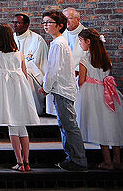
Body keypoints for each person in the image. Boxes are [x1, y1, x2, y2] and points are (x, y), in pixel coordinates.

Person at [76, 28, 123, 170]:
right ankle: (117, 161)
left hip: (93, 95)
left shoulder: (84, 60)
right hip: (109, 93)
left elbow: (81, 81)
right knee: (112, 126)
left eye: (80, 41)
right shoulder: (106, 59)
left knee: (99, 127)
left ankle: (107, 161)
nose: (80, 44)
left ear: (88, 42)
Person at [41, 10, 88, 171]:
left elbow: (53, 70)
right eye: (44, 22)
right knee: (65, 125)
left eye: (49, 22)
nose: (45, 25)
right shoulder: (58, 42)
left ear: (60, 26)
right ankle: (72, 158)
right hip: (61, 89)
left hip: (62, 90)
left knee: (69, 125)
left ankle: (79, 160)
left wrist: (45, 88)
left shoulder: (58, 44)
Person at [0, 23, 39, 172]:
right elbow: (25, 74)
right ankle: (27, 161)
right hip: (21, 89)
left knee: (12, 125)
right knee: (22, 127)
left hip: (6, 90)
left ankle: (19, 162)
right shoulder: (20, 53)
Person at [11, 13, 49, 117]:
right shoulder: (10, 39)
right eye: (13, 22)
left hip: (33, 73)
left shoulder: (37, 40)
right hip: (14, 71)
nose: (14, 25)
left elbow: (41, 63)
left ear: (27, 25)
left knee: (26, 76)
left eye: (18, 22)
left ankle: (32, 111)